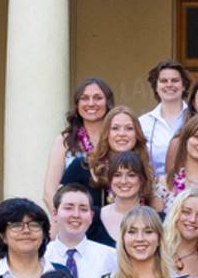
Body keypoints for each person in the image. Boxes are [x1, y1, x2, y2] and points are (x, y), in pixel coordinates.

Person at [43, 76, 114, 207]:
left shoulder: (117, 138)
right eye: (84, 98)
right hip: (75, 215)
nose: (91, 103)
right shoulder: (65, 140)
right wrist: (59, 216)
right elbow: (49, 192)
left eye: (98, 98)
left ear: (108, 102)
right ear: (77, 104)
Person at [63, 106, 152, 205]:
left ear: (137, 134)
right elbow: (60, 203)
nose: (122, 134)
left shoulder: (145, 170)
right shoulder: (82, 166)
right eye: (115, 128)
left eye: (129, 128)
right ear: (106, 133)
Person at [44, 182, 116, 278]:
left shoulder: (110, 257)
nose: (76, 215)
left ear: (91, 216)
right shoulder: (42, 256)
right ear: (55, 214)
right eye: (69, 208)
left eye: (83, 209)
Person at [138, 59, 190, 179]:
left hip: (190, 187)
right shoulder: (143, 123)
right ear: (156, 87)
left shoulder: (195, 119)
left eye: (175, 80)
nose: (169, 85)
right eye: (163, 81)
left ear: (184, 86)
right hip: (154, 187)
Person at [95, 152, 158, 246]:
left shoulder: (157, 220)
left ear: (141, 180)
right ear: (110, 180)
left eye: (131, 175)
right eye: (117, 175)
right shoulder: (93, 218)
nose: (123, 181)